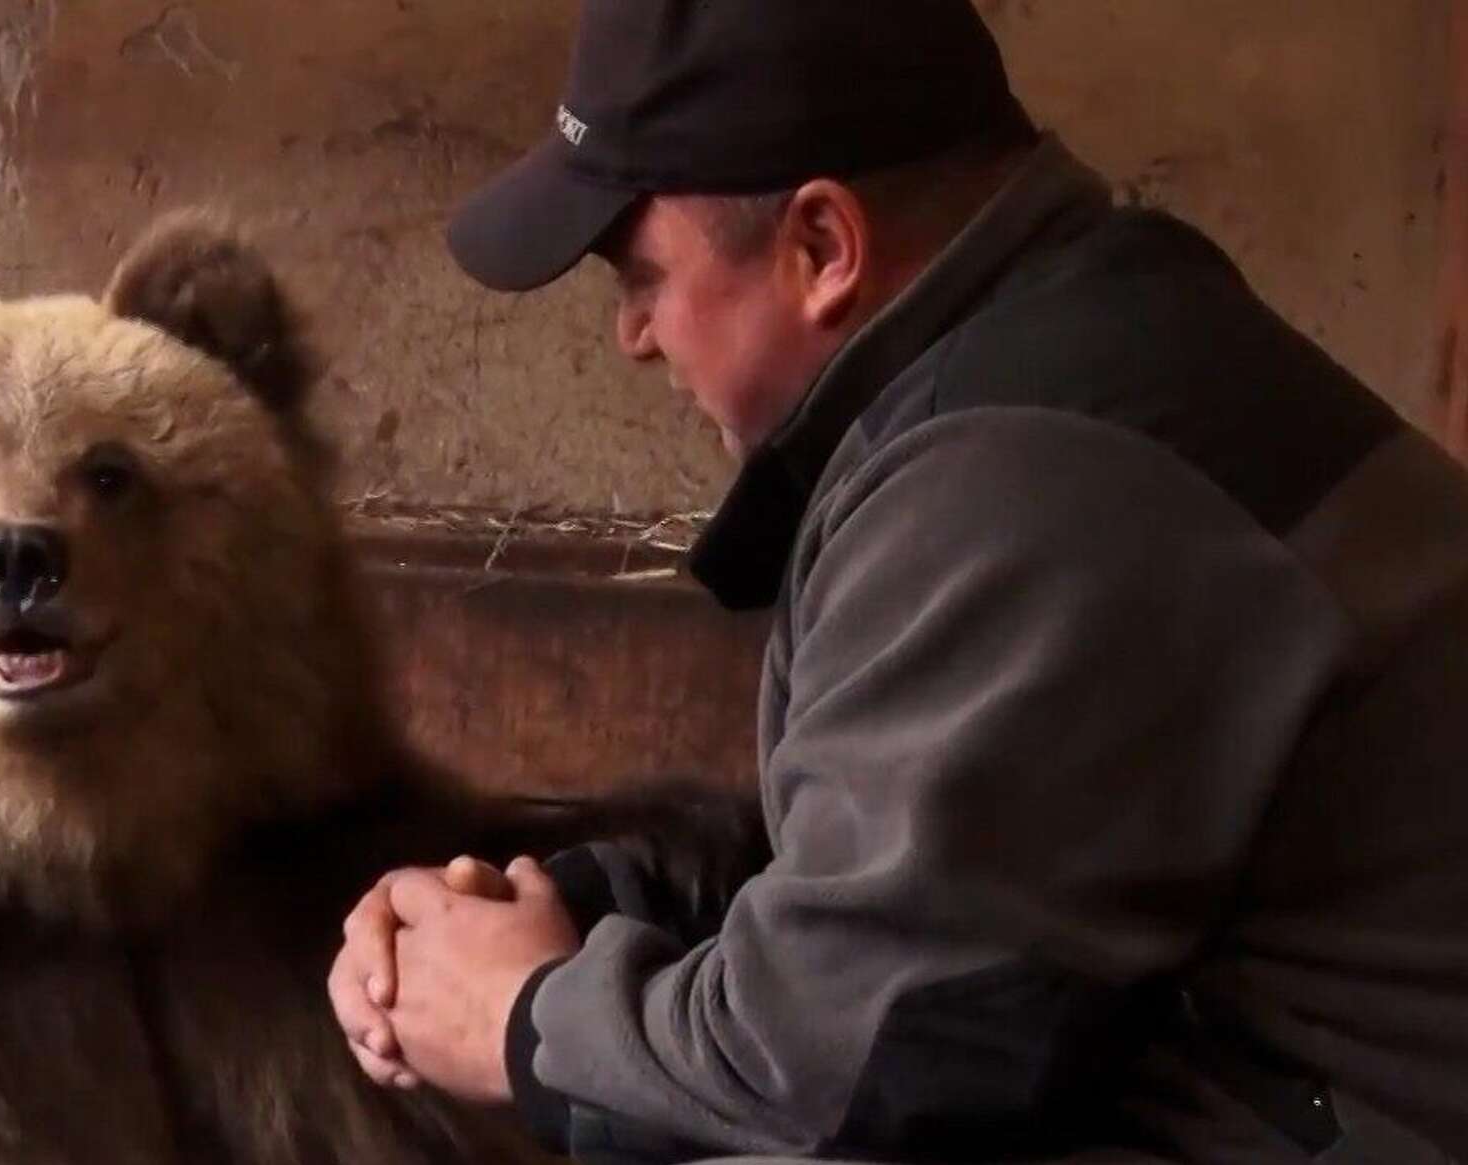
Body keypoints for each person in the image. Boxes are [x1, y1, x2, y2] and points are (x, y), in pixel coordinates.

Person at [325, 2, 1468, 1163]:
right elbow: (896, 881)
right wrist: (571, 902)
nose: (631, 334)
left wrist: (524, 1021)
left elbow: (861, 1061)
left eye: (639, 275)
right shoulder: (1057, 350)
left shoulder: (1024, 477)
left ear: (821, 246)